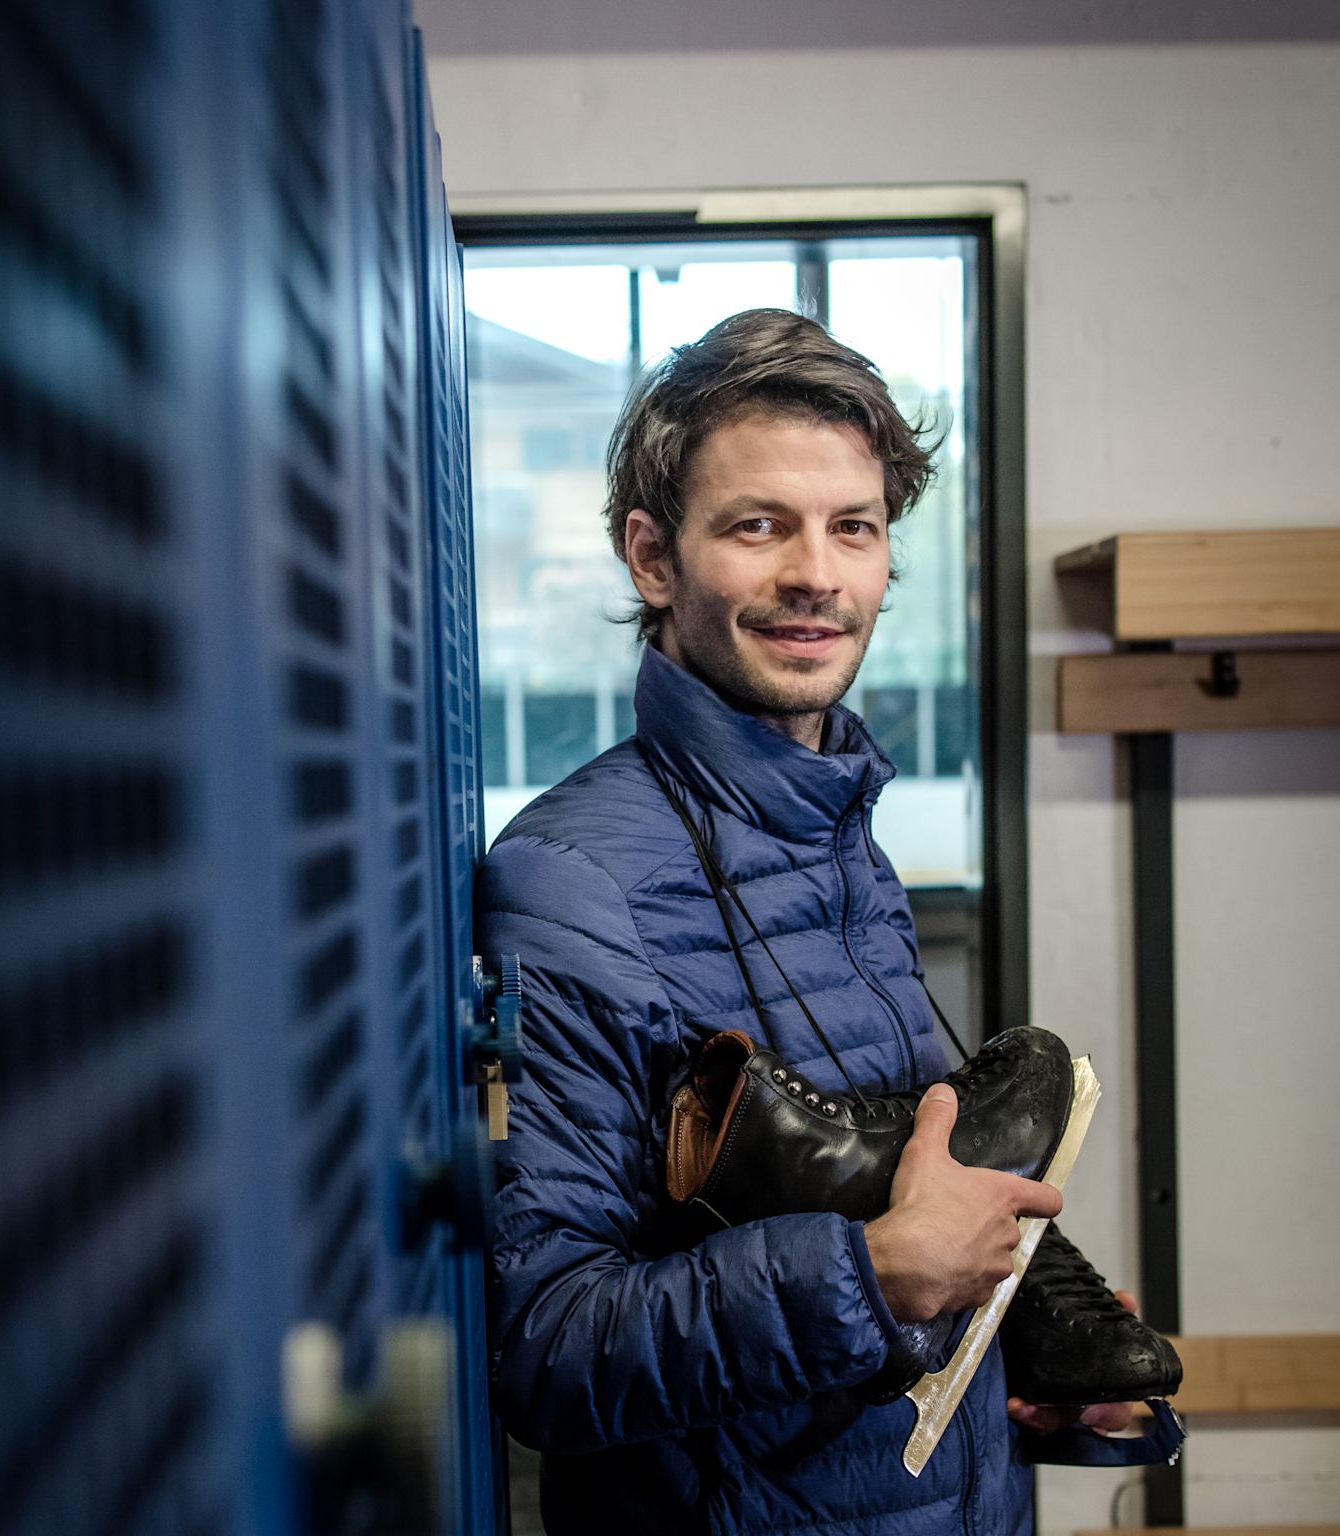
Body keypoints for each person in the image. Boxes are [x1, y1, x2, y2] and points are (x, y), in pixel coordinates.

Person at [474, 309, 1132, 1535]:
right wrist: (877, 1275)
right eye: (758, 525)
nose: (817, 576)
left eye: (855, 529)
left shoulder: (841, 834)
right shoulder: (572, 882)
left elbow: (891, 1212)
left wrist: (1001, 1364)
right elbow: (547, 1347)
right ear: (652, 557)